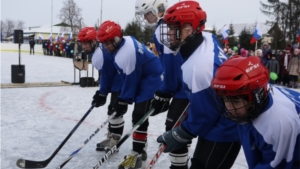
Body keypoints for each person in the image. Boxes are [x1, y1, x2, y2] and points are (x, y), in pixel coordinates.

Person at [156, 1, 241, 169]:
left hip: (225, 128)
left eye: (173, 28)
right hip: (217, 121)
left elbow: (205, 115)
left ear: (188, 29)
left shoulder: (199, 67)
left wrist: (183, 132)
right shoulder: (206, 39)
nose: (169, 34)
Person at [211, 55, 300, 169]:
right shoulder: (260, 94)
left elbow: (278, 165)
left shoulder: (275, 125)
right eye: (224, 99)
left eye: (236, 101)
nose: (229, 107)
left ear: (256, 96)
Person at [96, 20, 163, 169]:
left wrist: (124, 99)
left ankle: (137, 153)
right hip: (143, 77)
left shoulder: (126, 52)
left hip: (152, 79)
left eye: (108, 43)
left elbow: (131, 78)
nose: (106, 47)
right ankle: (141, 147)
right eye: (103, 43)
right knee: (138, 114)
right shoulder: (121, 47)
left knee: (139, 115)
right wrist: (121, 97)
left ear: (117, 38)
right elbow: (126, 76)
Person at [135, 0, 191, 168]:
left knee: (173, 128)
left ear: (157, 8)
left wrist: (166, 90)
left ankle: (180, 165)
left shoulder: (164, 29)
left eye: (147, 13)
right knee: (181, 128)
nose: (145, 18)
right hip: (187, 84)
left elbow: (171, 63)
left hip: (186, 87)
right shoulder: (170, 25)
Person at [77, 27, 124, 151]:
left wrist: (102, 93)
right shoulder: (99, 51)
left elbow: (106, 76)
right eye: (82, 44)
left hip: (121, 81)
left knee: (115, 111)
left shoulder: (99, 55)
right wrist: (102, 92)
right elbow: (105, 75)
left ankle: (115, 139)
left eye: (86, 44)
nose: (84, 47)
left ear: (93, 42)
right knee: (112, 110)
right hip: (116, 80)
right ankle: (111, 136)